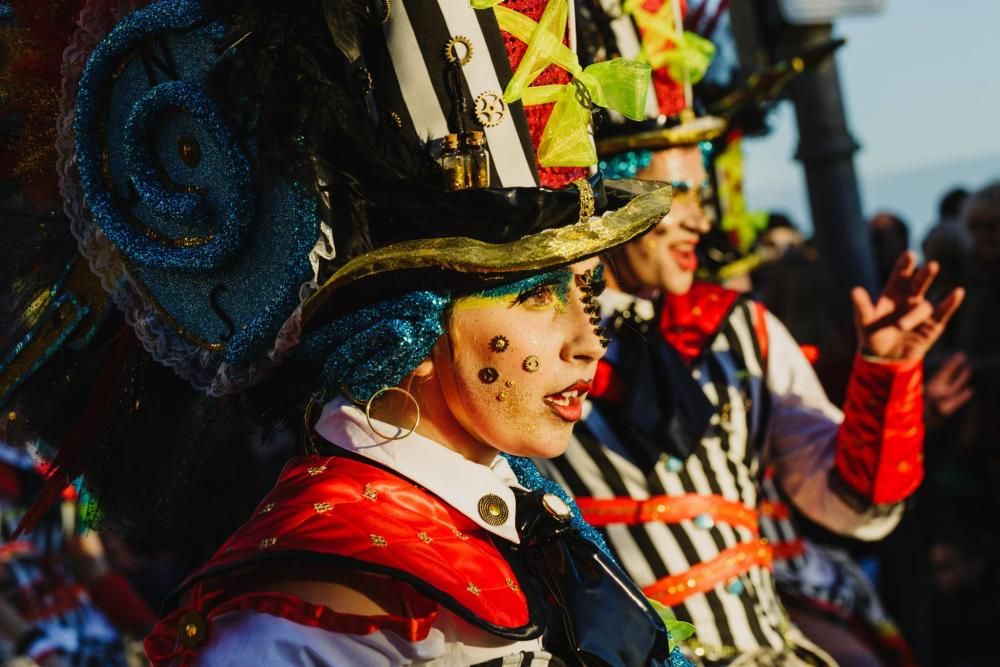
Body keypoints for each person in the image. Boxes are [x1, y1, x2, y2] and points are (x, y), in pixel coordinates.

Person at [3, 0, 687, 664]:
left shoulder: (530, 513)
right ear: (411, 329)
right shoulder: (305, 622)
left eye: (584, 291)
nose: (587, 340)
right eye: (536, 295)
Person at [541, 1, 964, 664]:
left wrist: (885, 378)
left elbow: (849, 504)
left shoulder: (741, 326)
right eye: (677, 198)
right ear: (610, 195)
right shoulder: (535, 337)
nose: (699, 223)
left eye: (702, 199)